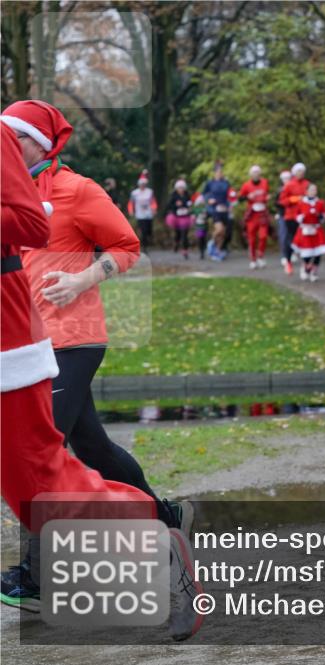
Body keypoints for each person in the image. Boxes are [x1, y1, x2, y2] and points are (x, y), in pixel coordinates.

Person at [0, 102, 202, 640]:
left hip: (72, 338)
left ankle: (39, 575)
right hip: (28, 343)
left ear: (38, 144)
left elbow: (127, 246)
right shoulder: (10, 189)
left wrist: (82, 279)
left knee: (46, 458)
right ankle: (165, 519)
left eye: (11, 137)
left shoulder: (78, 190)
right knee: (93, 449)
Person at [290, 183, 325, 282]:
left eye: (315, 190)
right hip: (305, 230)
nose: (313, 192)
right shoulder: (301, 203)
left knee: (319, 252)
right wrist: (302, 217)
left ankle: (314, 271)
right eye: (311, 190)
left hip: (317, 229)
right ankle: (306, 267)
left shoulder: (320, 203)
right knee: (306, 253)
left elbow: (324, 213)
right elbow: (296, 215)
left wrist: (321, 217)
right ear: (306, 192)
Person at [278, 162, 310, 275]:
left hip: (304, 217)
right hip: (291, 216)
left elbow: (313, 197)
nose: (301, 173)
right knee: (290, 240)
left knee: (304, 241)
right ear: (294, 173)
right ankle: (288, 262)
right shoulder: (289, 185)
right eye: (298, 171)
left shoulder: (307, 184)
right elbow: (282, 201)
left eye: (302, 171)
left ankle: (305, 265)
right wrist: (295, 199)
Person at [238, 165, 270, 269]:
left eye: (258, 173)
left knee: (263, 236)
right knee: (251, 238)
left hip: (262, 213)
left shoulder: (265, 182)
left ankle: (260, 255)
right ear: (251, 175)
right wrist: (247, 196)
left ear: (260, 174)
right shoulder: (246, 185)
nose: (256, 175)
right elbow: (240, 198)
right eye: (254, 173)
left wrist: (267, 197)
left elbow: (267, 194)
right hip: (252, 214)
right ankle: (253, 259)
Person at [203, 161, 236, 260]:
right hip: (215, 209)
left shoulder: (226, 183)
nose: (220, 173)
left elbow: (230, 195)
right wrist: (209, 200)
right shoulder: (210, 183)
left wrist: (231, 204)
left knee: (223, 233)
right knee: (219, 229)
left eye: (221, 172)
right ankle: (211, 243)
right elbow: (204, 194)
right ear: (214, 173)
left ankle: (217, 251)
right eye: (218, 171)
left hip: (225, 209)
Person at [165, 179, 195, 259]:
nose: (181, 190)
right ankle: (176, 243)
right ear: (176, 188)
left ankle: (185, 250)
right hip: (176, 218)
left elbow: (190, 204)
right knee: (178, 234)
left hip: (185, 217)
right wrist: (176, 205)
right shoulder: (173, 196)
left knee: (184, 235)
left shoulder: (187, 195)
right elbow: (169, 206)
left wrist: (188, 207)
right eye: (179, 188)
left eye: (182, 188)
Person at [127, 170, 157, 252]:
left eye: (144, 184)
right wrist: (131, 211)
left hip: (148, 214)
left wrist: (154, 209)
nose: (142, 186)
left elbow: (153, 202)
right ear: (139, 184)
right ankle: (144, 247)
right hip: (140, 215)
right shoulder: (134, 193)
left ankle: (148, 241)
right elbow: (131, 203)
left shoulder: (149, 192)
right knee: (143, 231)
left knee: (148, 231)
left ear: (145, 184)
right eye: (141, 184)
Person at [274, 169, 292, 266]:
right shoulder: (280, 190)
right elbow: (276, 203)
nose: (287, 180)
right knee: (283, 235)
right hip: (283, 215)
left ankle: (292, 253)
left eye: (288, 178)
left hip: (293, 215)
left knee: (292, 236)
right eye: (285, 178)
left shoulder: (293, 188)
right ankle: (285, 255)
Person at [191, 191, 209, 260]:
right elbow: (192, 217)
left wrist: (206, 216)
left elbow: (208, 215)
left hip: (205, 225)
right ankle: (201, 252)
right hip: (198, 226)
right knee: (200, 238)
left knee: (204, 238)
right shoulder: (195, 209)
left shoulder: (205, 208)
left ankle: (203, 250)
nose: (201, 203)